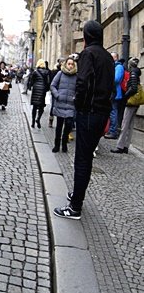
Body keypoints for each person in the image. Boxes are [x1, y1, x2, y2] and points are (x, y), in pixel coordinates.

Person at [54, 21, 113, 220]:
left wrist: (79, 106)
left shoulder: (88, 54)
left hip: (89, 112)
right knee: (86, 158)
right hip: (102, 112)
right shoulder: (107, 56)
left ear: (87, 37)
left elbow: (83, 82)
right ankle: (77, 196)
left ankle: (75, 207)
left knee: (82, 159)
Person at [112, 57, 141, 154]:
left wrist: (125, 96)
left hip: (131, 102)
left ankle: (120, 146)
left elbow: (133, 88)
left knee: (125, 124)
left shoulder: (133, 73)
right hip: (135, 102)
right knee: (130, 125)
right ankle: (126, 146)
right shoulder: (136, 73)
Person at [49, 56, 77, 153]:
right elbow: (52, 85)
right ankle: (57, 145)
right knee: (59, 126)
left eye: (72, 64)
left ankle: (64, 143)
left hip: (70, 105)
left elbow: (79, 89)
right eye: (69, 64)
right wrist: (57, 95)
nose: (70, 66)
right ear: (65, 64)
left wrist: (75, 97)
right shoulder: (60, 74)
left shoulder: (76, 76)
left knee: (68, 125)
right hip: (60, 103)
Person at [106, 52, 125, 139]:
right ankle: (111, 130)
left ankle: (113, 131)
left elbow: (116, 79)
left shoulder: (119, 67)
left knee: (113, 112)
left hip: (115, 94)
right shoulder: (114, 66)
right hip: (112, 93)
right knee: (111, 112)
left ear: (115, 58)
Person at [26, 60, 51, 128]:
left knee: (34, 107)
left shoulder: (35, 72)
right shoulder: (47, 72)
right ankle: (38, 119)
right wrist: (46, 89)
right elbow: (48, 82)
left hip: (36, 90)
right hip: (42, 90)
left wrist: (31, 87)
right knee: (41, 107)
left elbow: (31, 81)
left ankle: (33, 122)